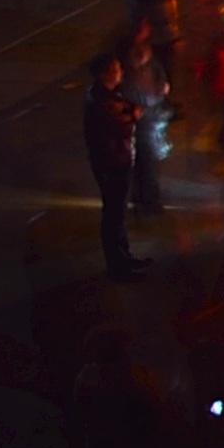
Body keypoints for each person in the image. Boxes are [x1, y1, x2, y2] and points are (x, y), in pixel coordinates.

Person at [83, 49, 144, 280]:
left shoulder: (110, 95)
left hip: (118, 159)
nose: (120, 73)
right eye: (116, 69)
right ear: (105, 73)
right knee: (113, 214)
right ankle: (118, 267)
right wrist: (134, 117)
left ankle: (124, 256)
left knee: (118, 213)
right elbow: (122, 126)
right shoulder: (101, 100)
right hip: (111, 163)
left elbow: (126, 107)